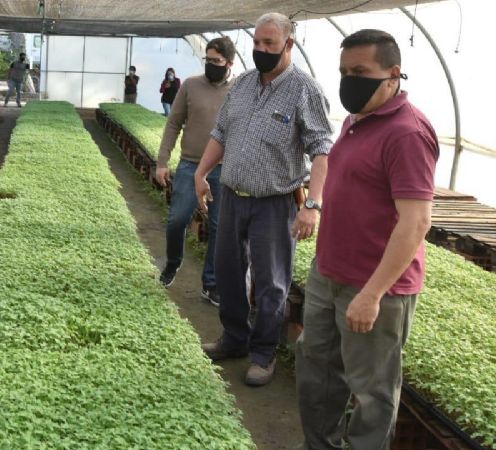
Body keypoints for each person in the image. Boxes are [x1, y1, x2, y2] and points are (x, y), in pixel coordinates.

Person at [296, 29, 437, 450]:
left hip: (375, 286)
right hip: (329, 273)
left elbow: (416, 222)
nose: (348, 81)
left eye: (360, 71)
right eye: (343, 71)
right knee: (316, 372)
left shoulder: (407, 133)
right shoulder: (356, 121)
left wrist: (373, 294)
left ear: (393, 74)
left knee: (373, 392)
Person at [195, 12, 333, 387]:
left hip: (275, 202)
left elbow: (322, 150)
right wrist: (200, 173)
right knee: (227, 270)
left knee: (272, 282)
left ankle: (263, 352)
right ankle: (234, 338)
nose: (261, 49)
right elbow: (221, 132)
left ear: (288, 45)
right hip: (232, 195)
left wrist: (313, 204)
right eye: (256, 43)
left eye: (269, 44)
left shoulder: (305, 90)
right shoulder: (241, 85)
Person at [156, 37, 236, 308]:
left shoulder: (239, 90)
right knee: (177, 219)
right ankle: (173, 263)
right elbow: (173, 124)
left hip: (223, 170)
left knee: (219, 228)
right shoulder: (190, 85)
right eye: (208, 60)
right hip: (190, 164)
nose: (211, 65)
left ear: (230, 63)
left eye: (217, 61)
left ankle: (210, 283)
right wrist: (162, 161)